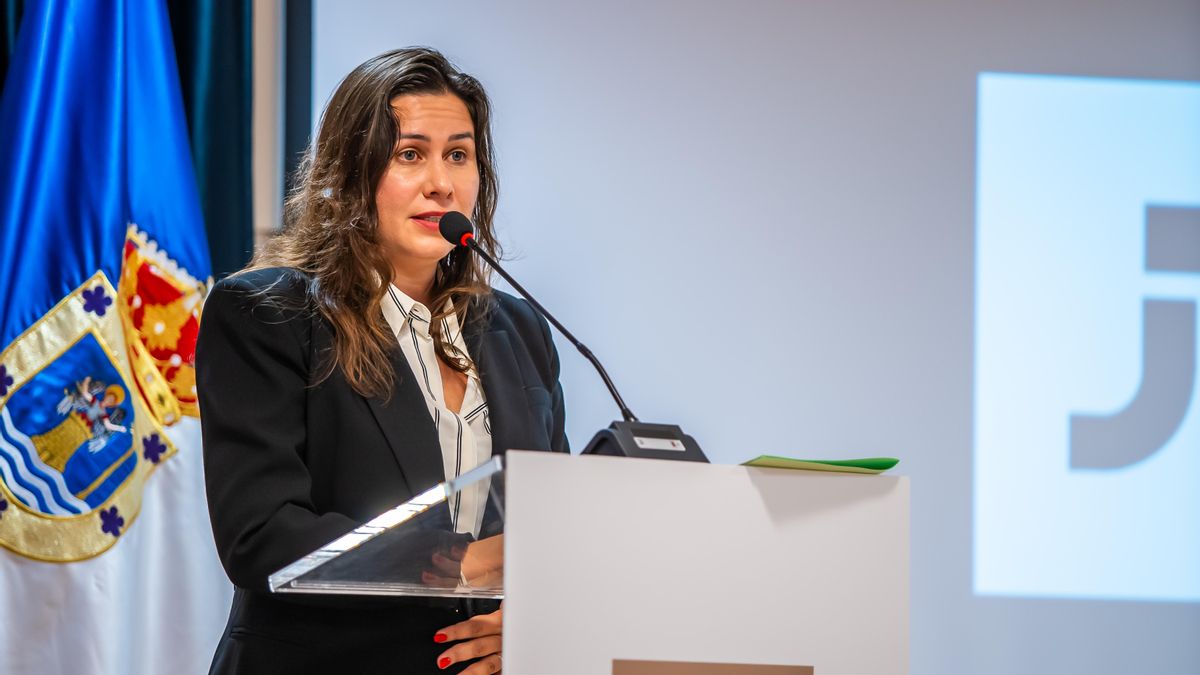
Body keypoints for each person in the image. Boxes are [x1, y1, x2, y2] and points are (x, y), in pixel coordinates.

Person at [196, 47, 568, 674]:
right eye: (410, 154)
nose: (440, 182)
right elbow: (265, 538)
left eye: (459, 154)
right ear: (347, 172)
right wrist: (469, 562)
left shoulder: (520, 328)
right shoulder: (266, 314)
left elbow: (554, 523)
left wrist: (530, 619)